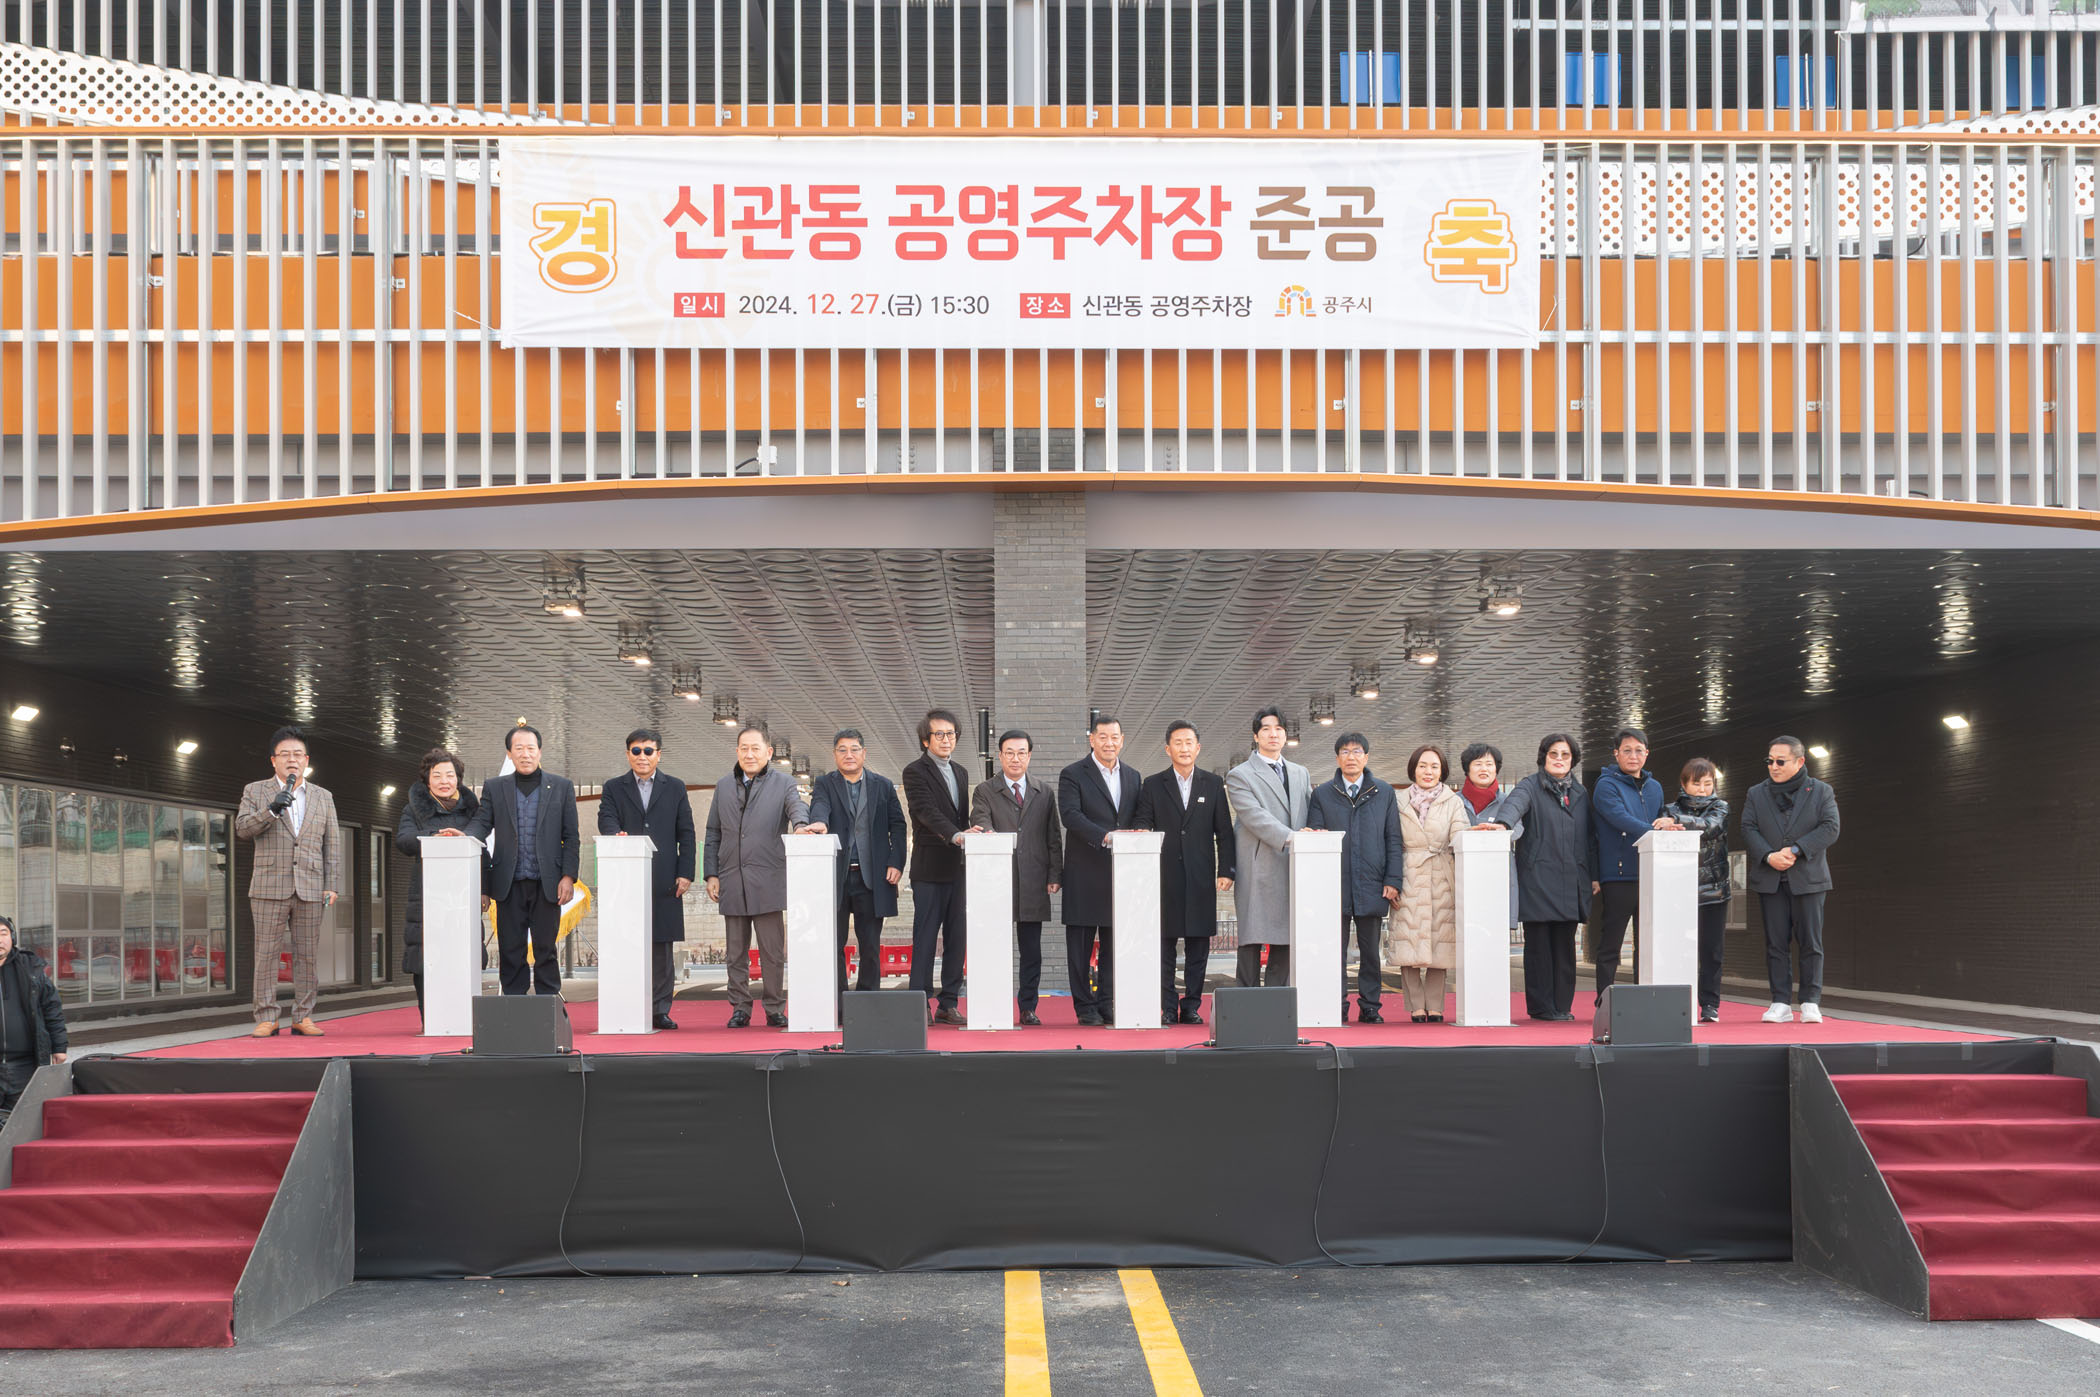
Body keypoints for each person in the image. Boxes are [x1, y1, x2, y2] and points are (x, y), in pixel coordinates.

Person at [1476, 734, 1596, 1022]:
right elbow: (1514, 805)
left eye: (1565, 754)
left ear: (1573, 760)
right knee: (1539, 947)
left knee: (1565, 946)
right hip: (1538, 877)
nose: (1559, 759)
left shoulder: (1580, 793)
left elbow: (1591, 837)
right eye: (1553, 753)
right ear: (1544, 757)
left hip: (1571, 879)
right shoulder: (1530, 785)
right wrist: (1502, 824)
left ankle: (1562, 1006)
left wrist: (1594, 875)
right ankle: (1542, 1007)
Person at [705, 724, 818, 1028]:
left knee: (772, 952)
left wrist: (801, 827)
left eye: (756, 748)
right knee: (735, 953)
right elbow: (713, 832)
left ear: (768, 752)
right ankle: (740, 1008)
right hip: (731, 878)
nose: (750, 754)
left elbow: (797, 809)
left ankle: (774, 1007)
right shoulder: (723, 786)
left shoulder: (784, 784)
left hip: (768, 880)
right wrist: (711, 874)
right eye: (744, 748)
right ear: (737, 751)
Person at [234, 726, 342, 1038]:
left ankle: (303, 1016)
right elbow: (242, 828)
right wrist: (271, 810)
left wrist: (332, 884)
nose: (291, 760)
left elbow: (332, 843)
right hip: (268, 886)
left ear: (306, 759)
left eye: (297, 754)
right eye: (285, 755)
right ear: (273, 760)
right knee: (266, 954)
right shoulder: (255, 791)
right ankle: (266, 1017)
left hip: (310, 886)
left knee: (307, 955)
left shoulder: (323, 797)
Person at [1134, 721, 1236, 1026]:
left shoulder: (1213, 784)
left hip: (1201, 878)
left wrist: (1226, 870)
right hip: (1164, 879)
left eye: (1189, 742)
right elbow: (1142, 822)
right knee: (1164, 947)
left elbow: (1224, 832)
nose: (1184, 748)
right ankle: (1167, 1006)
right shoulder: (1153, 784)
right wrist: (1141, 836)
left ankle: (1191, 1006)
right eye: (1177, 743)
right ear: (1167, 749)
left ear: (1198, 748)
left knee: (1198, 947)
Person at [597, 728, 699, 1030]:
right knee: (626, 943)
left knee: (661, 948)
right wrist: (615, 835)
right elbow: (606, 818)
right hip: (626, 879)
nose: (642, 756)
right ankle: (629, 1004)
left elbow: (686, 833)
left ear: (659, 754)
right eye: (636, 751)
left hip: (665, 878)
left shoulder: (675, 787)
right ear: (628, 754)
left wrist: (686, 873)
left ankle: (659, 1009)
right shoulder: (613, 787)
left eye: (649, 751)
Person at [470, 726, 580, 999]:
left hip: (548, 884)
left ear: (540, 751)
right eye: (518, 749)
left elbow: (571, 837)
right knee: (510, 949)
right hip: (508, 884)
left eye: (531, 748)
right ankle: (514, 1005)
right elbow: (481, 826)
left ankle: (548, 1003)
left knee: (546, 948)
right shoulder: (495, 788)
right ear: (509, 753)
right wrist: (462, 837)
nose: (525, 754)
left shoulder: (562, 787)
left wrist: (568, 877)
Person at [1304, 731, 1403, 1024]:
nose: (1351, 757)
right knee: (1333, 951)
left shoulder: (1383, 792)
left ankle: (1370, 1006)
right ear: (1337, 758)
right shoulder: (1322, 794)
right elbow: (1316, 836)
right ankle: (1336, 1005)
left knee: (1370, 952)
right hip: (1333, 885)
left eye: (1357, 751)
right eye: (1345, 752)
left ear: (1366, 757)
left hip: (1372, 883)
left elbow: (1393, 838)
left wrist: (1393, 879)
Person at [1741, 736, 1841, 1025]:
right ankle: (1780, 1002)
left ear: (1799, 762)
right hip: (1770, 878)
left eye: (1780, 761)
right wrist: (1768, 856)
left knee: (1811, 942)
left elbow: (1830, 828)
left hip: (1809, 878)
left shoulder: (1821, 791)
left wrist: (1796, 850)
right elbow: (1748, 828)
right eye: (1769, 761)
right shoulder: (1756, 793)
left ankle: (1810, 1001)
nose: (1773, 766)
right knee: (1776, 943)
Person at [970, 729, 1063, 1026]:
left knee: (1031, 950)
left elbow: (1053, 836)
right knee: (995, 947)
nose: (1015, 758)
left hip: (1034, 879)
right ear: (1000, 756)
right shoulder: (985, 790)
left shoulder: (1043, 792)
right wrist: (989, 834)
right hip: (997, 880)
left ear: (1029, 756)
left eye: (1021, 753)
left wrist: (1054, 873)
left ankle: (1028, 1007)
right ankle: (994, 1004)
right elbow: (980, 820)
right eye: (1009, 752)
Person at [809, 729, 908, 1001]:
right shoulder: (825, 784)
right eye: (842, 750)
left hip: (872, 878)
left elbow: (898, 826)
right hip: (835, 877)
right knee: (833, 945)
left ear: (864, 753)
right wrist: (819, 822)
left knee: (870, 947)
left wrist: (896, 862)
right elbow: (819, 806)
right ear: (834, 755)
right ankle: (838, 1004)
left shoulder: (883, 786)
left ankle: (867, 1004)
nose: (849, 755)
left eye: (854, 749)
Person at [1059, 714, 1141, 1026]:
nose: (1109, 743)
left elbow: (1137, 817)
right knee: (1080, 946)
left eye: (1114, 737)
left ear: (1122, 740)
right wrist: (1104, 836)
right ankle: (1084, 1006)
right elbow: (1070, 815)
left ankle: (1107, 1002)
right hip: (1084, 870)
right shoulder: (1073, 774)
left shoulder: (1133, 776)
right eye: (1103, 737)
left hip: (1121, 874)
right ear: (1091, 739)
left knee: (1114, 944)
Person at [394, 747, 482, 1029]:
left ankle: (465, 1020)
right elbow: (404, 840)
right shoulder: (413, 808)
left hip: (464, 894)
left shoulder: (474, 810)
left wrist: (485, 890)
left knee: (462, 958)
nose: (445, 781)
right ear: (427, 780)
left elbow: (485, 848)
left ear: (458, 778)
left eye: (450, 775)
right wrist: (434, 837)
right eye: (437, 775)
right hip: (427, 896)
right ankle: (430, 1020)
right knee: (426, 959)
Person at [901, 709, 978, 1027]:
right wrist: (956, 835)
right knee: (926, 937)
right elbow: (925, 811)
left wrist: (970, 832)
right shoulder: (914, 771)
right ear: (925, 740)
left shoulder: (961, 771)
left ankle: (949, 1003)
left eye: (951, 734)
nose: (947, 740)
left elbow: (961, 817)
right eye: (940, 734)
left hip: (958, 868)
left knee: (957, 938)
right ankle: (919, 1002)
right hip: (929, 869)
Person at [1225, 706, 1309, 987]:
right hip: (1259, 864)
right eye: (1266, 729)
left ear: (1285, 735)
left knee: (1286, 938)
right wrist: (1292, 838)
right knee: (1252, 935)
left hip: (1292, 865)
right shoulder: (1240, 774)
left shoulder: (1300, 773)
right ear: (1256, 736)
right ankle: (1246, 1002)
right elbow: (1254, 816)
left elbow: (1309, 810)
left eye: (1279, 729)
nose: (1273, 734)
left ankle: (1277, 1001)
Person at [1390, 745, 1471, 1024]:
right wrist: (1391, 879)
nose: (1428, 771)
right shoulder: (1397, 800)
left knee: (1440, 941)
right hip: (1407, 873)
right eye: (1423, 766)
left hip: (1441, 874)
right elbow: (1391, 840)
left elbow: (1459, 834)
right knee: (1408, 939)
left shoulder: (1453, 801)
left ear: (1442, 771)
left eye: (1434, 767)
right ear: (1413, 769)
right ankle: (1415, 1005)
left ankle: (1435, 1005)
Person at [1589, 727, 1665, 1005]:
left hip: (1650, 873)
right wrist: (1655, 831)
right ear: (1616, 754)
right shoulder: (1606, 785)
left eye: (1639, 750)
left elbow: (1661, 817)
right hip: (1619, 875)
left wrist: (1667, 825)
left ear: (1647, 753)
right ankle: (1604, 1002)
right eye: (1627, 750)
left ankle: (1644, 1001)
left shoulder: (1655, 787)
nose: (1633, 756)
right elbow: (1618, 817)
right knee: (1612, 942)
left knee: (1647, 944)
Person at [1663, 758, 1731, 1024]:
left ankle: (1710, 1004)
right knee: (1679, 949)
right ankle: (1680, 1003)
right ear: (1684, 784)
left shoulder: (1720, 807)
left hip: (1714, 890)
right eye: (1696, 783)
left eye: (1708, 783)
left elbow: (1711, 827)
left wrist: (1676, 821)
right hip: (1678, 891)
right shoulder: (1668, 809)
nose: (1702, 789)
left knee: (1712, 950)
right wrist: (1670, 821)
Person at [0, 915, 67, 1127]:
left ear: (12, 937)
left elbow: (51, 1008)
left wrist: (59, 1046)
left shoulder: (31, 969)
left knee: (23, 1126)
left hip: (26, 1065)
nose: (0, 940)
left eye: (3, 933)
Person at [1459, 742, 1521, 931]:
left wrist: (1499, 832)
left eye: (1489, 764)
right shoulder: (1454, 801)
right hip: (1463, 877)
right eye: (1477, 764)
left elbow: (1518, 829)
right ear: (1467, 769)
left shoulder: (1509, 802)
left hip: (1498, 877)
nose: (1484, 769)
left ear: (1496, 769)